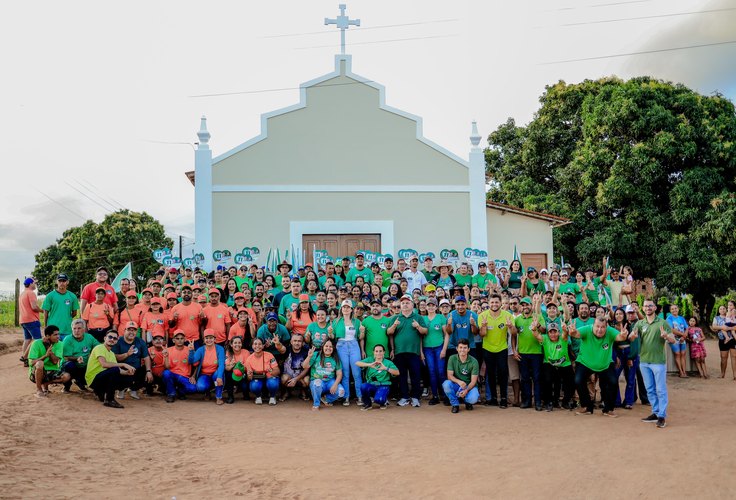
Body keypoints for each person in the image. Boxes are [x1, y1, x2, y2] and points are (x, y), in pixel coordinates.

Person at [568, 317, 634, 417]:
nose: (600, 329)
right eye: (597, 326)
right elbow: (575, 334)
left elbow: (620, 337)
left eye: (603, 327)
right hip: (585, 362)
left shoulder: (610, 331)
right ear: (593, 326)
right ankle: (586, 407)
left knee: (613, 382)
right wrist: (572, 331)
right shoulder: (587, 329)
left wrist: (623, 335)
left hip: (605, 364)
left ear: (606, 327)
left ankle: (608, 409)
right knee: (578, 380)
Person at [632, 299, 676, 428]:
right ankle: (655, 413)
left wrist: (666, 336)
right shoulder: (640, 323)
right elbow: (632, 335)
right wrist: (631, 336)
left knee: (660, 390)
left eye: (650, 306)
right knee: (650, 390)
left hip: (658, 362)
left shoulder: (663, 323)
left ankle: (662, 416)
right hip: (644, 362)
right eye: (646, 306)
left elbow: (673, 340)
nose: (648, 308)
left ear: (655, 307)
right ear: (643, 308)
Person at [387, 294, 428, 407]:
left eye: (407, 302)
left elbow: (425, 331)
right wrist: (394, 326)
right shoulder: (395, 318)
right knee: (402, 376)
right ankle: (404, 397)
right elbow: (389, 333)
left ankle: (415, 397)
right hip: (399, 352)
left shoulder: (418, 317)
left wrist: (418, 326)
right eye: (403, 303)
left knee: (416, 375)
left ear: (412, 305)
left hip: (414, 352)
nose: (405, 305)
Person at [478, 294, 516, 408]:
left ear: (500, 303)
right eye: (492, 302)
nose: (494, 304)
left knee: (503, 374)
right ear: (488, 303)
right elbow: (482, 334)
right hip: (488, 348)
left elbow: (514, 333)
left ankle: (503, 398)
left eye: (496, 302)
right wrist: (484, 326)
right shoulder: (482, 316)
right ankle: (493, 398)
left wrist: (510, 327)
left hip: (502, 348)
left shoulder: (508, 315)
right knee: (490, 374)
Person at [85, 330, 135, 408]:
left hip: (103, 378)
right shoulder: (99, 347)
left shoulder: (111, 353)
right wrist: (124, 364)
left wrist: (127, 372)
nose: (112, 339)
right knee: (114, 370)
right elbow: (104, 364)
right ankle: (109, 399)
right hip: (93, 379)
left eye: (115, 338)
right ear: (105, 338)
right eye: (110, 337)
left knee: (128, 377)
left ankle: (101, 392)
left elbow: (118, 370)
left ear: (117, 341)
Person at [513, 296, 546, 410]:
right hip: (523, 353)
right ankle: (526, 401)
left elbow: (544, 331)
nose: (525, 307)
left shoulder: (538, 316)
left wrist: (538, 325)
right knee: (525, 378)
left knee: (537, 378)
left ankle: (537, 402)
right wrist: (514, 349)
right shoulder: (517, 319)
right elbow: (513, 334)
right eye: (523, 305)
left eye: (527, 304)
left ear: (531, 305)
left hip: (537, 352)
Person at [329, 299, 364, 405]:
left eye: (348, 307)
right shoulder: (336, 321)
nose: (346, 309)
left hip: (354, 345)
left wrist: (362, 332)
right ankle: (346, 397)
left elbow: (360, 337)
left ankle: (360, 396)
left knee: (357, 372)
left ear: (351, 309)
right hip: (341, 345)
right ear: (341, 309)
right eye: (344, 307)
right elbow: (332, 337)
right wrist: (330, 333)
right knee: (345, 373)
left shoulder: (357, 321)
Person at [532, 322, 574, 411]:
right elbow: (536, 335)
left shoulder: (563, 339)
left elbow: (565, 335)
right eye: (551, 332)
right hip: (549, 364)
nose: (553, 334)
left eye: (555, 332)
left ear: (558, 332)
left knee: (570, 381)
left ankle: (565, 401)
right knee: (547, 380)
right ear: (548, 333)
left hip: (564, 364)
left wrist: (564, 330)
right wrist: (533, 328)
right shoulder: (545, 339)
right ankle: (549, 402)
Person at [112, 321, 153, 400]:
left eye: (133, 330)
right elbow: (115, 357)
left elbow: (146, 357)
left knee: (146, 370)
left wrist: (148, 371)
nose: (131, 332)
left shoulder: (140, 342)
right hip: (122, 370)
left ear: (136, 332)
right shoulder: (118, 341)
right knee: (114, 370)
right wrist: (127, 354)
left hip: (136, 369)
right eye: (129, 330)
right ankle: (121, 389)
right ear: (125, 330)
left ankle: (133, 389)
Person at [28, 325, 70, 397]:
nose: (58, 336)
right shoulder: (36, 343)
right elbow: (32, 362)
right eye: (55, 335)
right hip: (35, 372)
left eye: (58, 334)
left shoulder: (59, 344)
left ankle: (45, 385)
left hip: (51, 371)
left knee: (66, 376)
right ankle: (39, 389)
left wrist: (48, 348)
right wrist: (45, 356)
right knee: (40, 363)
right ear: (47, 336)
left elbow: (55, 362)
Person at [303, 339, 344, 410]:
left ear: (333, 348)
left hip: (330, 381)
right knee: (317, 383)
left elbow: (339, 374)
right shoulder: (316, 354)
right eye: (326, 346)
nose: (328, 348)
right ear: (322, 347)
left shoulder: (335, 358)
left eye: (330, 347)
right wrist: (309, 356)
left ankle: (326, 399)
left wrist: (335, 385)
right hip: (317, 380)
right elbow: (304, 366)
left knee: (341, 392)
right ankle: (316, 404)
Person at [356, 344, 399, 410]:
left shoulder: (388, 362)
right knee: (363, 386)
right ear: (373, 352)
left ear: (384, 352)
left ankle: (383, 401)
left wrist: (386, 368)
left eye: (380, 351)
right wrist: (369, 365)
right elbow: (357, 363)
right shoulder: (370, 359)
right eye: (376, 351)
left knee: (379, 400)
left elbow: (397, 372)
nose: (378, 353)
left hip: (383, 385)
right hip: (372, 385)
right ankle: (368, 404)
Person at [442, 338, 480, 413]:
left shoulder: (474, 361)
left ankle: (467, 402)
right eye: (460, 347)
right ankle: (455, 404)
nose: (462, 350)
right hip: (457, 385)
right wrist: (459, 382)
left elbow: (473, 381)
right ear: (457, 348)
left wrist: (466, 390)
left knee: (473, 398)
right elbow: (449, 376)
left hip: (469, 386)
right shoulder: (452, 358)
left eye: (465, 348)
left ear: (468, 349)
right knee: (446, 384)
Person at [61, 319, 99, 392]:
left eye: (79, 328)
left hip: (84, 365)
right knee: (69, 366)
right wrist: (77, 358)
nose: (76, 331)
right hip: (70, 364)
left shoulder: (89, 337)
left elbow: (98, 347)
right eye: (74, 328)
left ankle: (80, 382)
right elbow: (66, 357)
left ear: (84, 329)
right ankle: (67, 386)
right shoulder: (67, 339)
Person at [422, 298, 448, 405]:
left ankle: (445, 395)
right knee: (432, 372)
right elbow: (420, 337)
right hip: (427, 348)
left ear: (436, 307)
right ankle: (435, 396)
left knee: (441, 372)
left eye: (433, 305)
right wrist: (421, 352)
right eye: (429, 305)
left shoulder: (441, 317)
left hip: (439, 347)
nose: (431, 307)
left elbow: (446, 334)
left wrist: (444, 349)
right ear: (426, 307)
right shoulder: (422, 319)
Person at [190, 329, 226, 405]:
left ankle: (218, 396)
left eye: (211, 338)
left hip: (215, 374)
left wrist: (219, 376)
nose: (209, 340)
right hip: (204, 375)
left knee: (217, 376)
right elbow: (192, 361)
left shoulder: (220, 349)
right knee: (200, 387)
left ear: (214, 339)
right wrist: (191, 351)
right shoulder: (200, 350)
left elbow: (221, 364)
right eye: (207, 338)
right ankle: (207, 392)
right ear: (204, 340)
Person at [162, 330, 198, 403]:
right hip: (172, 374)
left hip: (184, 376)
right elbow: (167, 367)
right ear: (173, 340)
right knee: (166, 373)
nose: (180, 340)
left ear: (185, 339)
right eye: (177, 338)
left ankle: (180, 391)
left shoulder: (189, 349)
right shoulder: (168, 350)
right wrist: (166, 357)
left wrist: (193, 376)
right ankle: (171, 394)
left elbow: (196, 365)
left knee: (193, 388)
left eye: (181, 338)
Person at [42, 273, 79, 340]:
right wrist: (45, 327)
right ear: (56, 282)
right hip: (52, 329)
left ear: (67, 282)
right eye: (60, 281)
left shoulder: (72, 296)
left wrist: (66, 317)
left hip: (67, 329)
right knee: (53, 349)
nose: (62, 283)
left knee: (66, 349)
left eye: (64, 281)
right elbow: (45, 312)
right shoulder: (50, 295)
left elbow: (74, 313)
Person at [245, 337, 280, 405]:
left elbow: (277, 371)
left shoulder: (269, 355)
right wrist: (249, 375)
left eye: (260, 344)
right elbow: (249, 378)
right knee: (254, 386)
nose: (257, 346)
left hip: (269, 377)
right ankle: (258, 397)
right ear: (252, 346)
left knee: (273, 383)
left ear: (263, 346)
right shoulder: (248, 359)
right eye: (255, 344)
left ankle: (272, 397)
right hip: (257, 379)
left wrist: (271, 372)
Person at [168, 284, 204, 348]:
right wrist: (174, 319)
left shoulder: (198, 306)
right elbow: (171, 325)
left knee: (195, 358)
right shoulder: (175, 308)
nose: (186, 294)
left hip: (195, 339)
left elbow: (202, 323)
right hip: (181, 340)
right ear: (181, 294)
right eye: (184, 292)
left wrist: (203, 317)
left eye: (189, 292)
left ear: (192, 294)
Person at [280, 334, 311, 401]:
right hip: (289, 376)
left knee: (307, 380)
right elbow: (280, 348)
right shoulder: (287, 350)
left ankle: (303, 392)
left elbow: (307, 369)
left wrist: (296, 379)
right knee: (283, 378)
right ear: (291, 342)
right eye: (295, 341)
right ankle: (287, 392)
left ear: (303, 343)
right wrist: (277, 343)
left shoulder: (306, 352)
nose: (297, 343)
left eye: (299, 341)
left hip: (300, 376)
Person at [19, 277, 42, 367]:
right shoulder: (31, 293)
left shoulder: (22, 294)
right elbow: (34, 307)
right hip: (32, 320)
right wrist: (42, 311)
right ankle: (24, 357)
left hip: (23, 320)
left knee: (27, 339)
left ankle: (25, 360)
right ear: (31, 284)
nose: (35, 285)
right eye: (34, 283)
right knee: (37, 340)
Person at [224, 335, 250, 403]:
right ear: (231, 344)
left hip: (243, 374)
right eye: (235, 343)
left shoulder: (246, 352)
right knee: (228, 374)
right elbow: (227, 368)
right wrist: (232, 366)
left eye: (239, 342)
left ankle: (246, 394)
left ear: (241, 344)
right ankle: (230, 396)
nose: (237, 344)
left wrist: (241, 367)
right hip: (232, 374)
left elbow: (248, 367)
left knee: (245, 385)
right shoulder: (228, 353)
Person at [666, 304, 690, 378]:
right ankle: (681, 372)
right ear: (670, 311)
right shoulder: (669, 318)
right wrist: (683, 335)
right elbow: (671, 329)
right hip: (674, 338)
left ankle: (684, 371)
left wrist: (684, 336)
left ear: (678, 309)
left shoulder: (681, 318)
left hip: (683, 338)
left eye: (675, 308)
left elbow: (687, 327)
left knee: (683, 354)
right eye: (672, 309)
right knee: (677, 354)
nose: (674, 310)